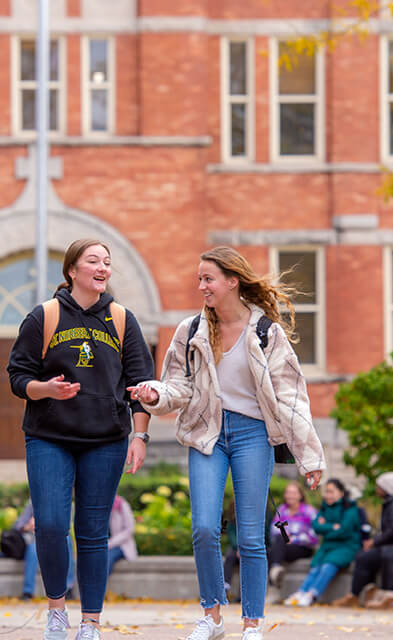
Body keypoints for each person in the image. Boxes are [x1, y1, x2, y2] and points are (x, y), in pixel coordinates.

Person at [129, 246, 325, 640]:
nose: (201, 286)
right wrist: (155, 395)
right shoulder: (190, 332)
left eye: (208, 279)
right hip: (208, 434)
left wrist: (310, 456)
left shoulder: (267, 332)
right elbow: (177, 387)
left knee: (252, 535)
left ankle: (252, 622)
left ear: (232, 281)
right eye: (199, 279)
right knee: (203, 527)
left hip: (253, 433)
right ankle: (213, 616)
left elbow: (292, 397)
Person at [7, 238, 155, 640]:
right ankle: (57, 610)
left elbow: (141, 384)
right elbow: (18, 377)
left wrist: (140, 436)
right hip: (48, 436)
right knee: (51, 525)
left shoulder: (122, 319)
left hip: (106, 440)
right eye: (93, 261)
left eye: (107, 262)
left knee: (93, 532)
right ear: (72, 270)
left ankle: (90, 623)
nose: (103, 267)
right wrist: (45, 389)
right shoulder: (45, 316)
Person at [332, 471, 393, 608]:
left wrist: (375, 542)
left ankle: (374, 595)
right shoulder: (392, 502)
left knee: (367, 556)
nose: (377, 489)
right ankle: (359, 593)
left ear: (387, 488)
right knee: (363, 556)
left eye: (379, 486)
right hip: (388, 544)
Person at [285, 479, 361, 607]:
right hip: (327, 546)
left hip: (345, 546)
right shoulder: (325, 507)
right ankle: (301, 592)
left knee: (328, 565)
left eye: (331, 492)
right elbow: (316, 526)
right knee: (315, 566)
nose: (327, 495)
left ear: (341, 493)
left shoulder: (350, 509)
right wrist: (332, 527)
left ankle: (312, 594)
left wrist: (326, 527)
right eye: (326, 491)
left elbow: (344, 531)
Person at [15, 500, 76, 600]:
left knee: (67, 541)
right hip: (37, 538)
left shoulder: (64, 502)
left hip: (58, 538)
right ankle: (28, 591)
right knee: (32, 550)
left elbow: (66, 526)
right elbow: (18, 525)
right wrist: (28, 526)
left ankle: (68, 588)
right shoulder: (33, 503)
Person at [267, 482, 318, 589]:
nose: (290, 495)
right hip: (283, 546)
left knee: (272, 553)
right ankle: (275, 571)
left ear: (300, 495)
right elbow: (273, 530)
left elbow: (314, 536)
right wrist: (285, 536)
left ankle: (273, 587)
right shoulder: (282, 509)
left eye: (293, 493)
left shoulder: (309, 511)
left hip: (302, 548)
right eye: (288, 493)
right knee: (272, 549)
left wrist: (293, 539)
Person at [107, 495, 138, 577]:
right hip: (104, 544)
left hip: (121, 545)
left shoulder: (122, 504)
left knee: (107, 558)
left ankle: (99, 586)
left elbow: (130, 529)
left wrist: (110, 543)